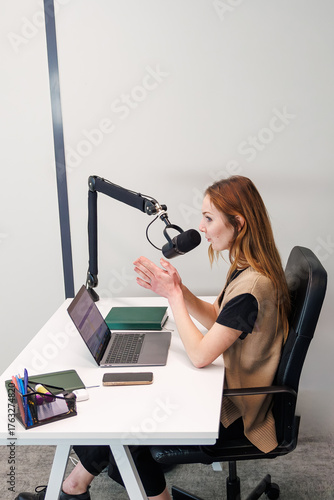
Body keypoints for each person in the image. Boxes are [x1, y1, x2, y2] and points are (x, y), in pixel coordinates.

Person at [16, 175, 290, 500]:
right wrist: (181, 288)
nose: (200, 227)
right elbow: (218, 316)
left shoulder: (253, 288)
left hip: (235, 409)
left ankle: (111, 492)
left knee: (126, 428)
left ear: (238, 223)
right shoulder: (247, 268)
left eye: (208, 218)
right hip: (225, 387)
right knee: (120, 407)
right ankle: (74, 486)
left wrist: (172, 296)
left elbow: (201, 355)